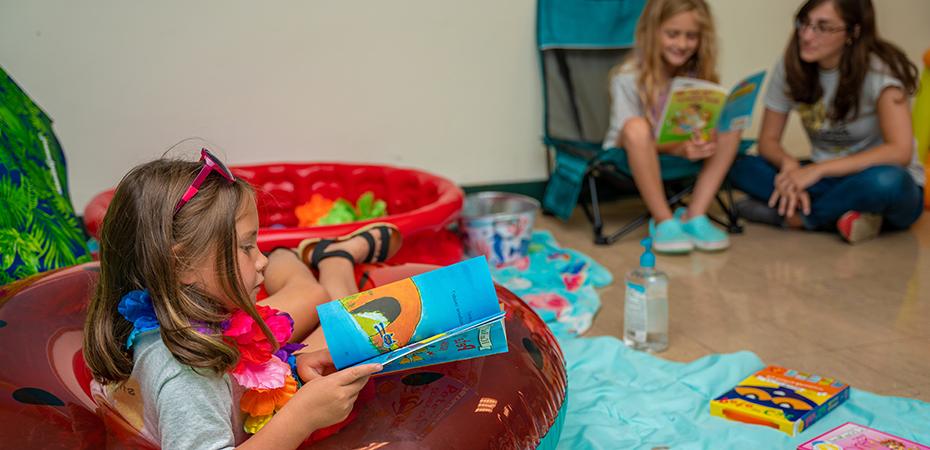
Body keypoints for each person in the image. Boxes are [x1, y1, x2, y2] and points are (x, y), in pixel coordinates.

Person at [82, 150, 400, 449]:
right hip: (254, 406)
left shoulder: (183, 319)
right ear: (181, 265)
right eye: (247, 247)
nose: (259, 260)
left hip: (243, 365)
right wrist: (303, 416)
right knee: (345, 322)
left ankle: (318, 256)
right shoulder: (185, 375)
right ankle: (334, 257)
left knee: (325, 306)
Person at [729, 0, 923, 243]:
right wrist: (789, 166)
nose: (807, 36)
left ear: (853, 33)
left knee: (888, 183)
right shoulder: (790, 65)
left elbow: (900, 151)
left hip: (874, 179)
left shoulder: (881, 70)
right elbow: (768, 141)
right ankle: (848, 215)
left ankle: (799, 218)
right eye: (804, 23)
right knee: (735, 161)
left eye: (823, 27)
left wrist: (817, 170)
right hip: (824, 180)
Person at [604, 0, 744, 254]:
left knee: (732, 122)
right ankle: (664, 220)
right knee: (635, 127)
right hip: (633, 151)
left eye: (691, 36)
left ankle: (694, 214)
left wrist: (704, 139)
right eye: (672, 34)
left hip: (684, 149)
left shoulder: (698, 76)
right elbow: (625, 138)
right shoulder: (627, 76)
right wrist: (679, 149)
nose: (681, 44)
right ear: (653, 31)